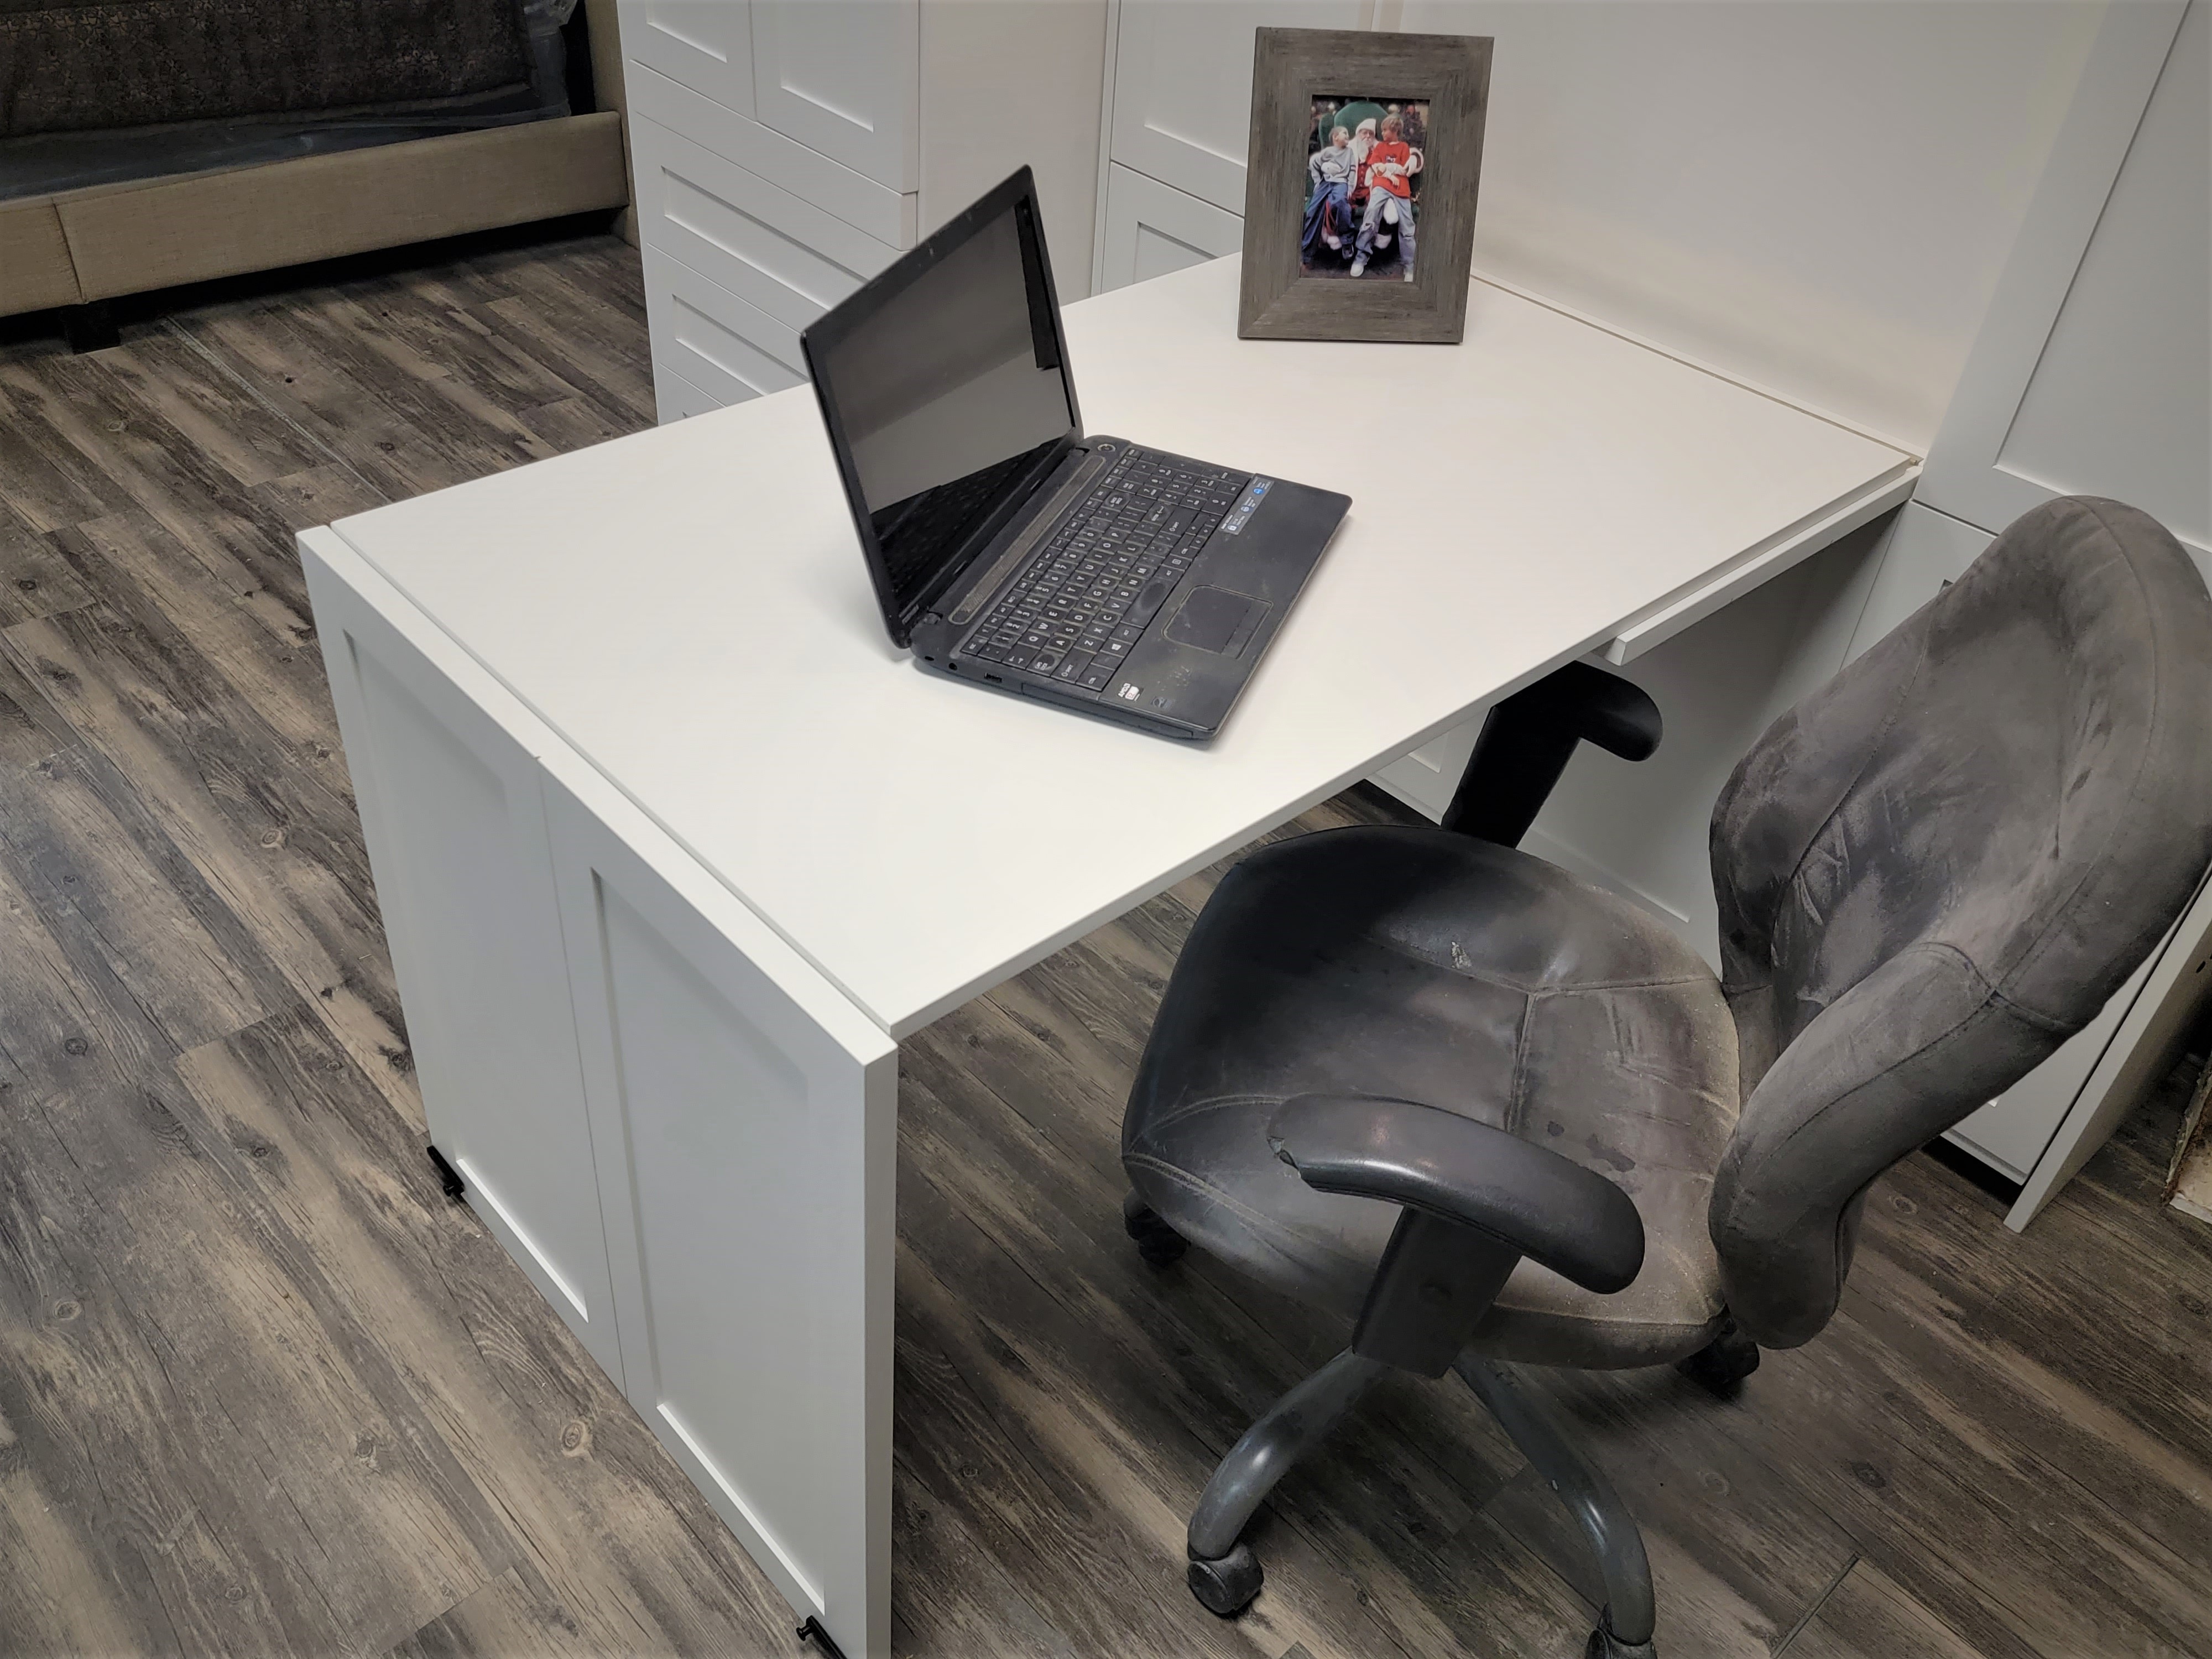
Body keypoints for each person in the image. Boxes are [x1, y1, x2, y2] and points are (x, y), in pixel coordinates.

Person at [1350, 112, 1417, 280]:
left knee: (1408, 227)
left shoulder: (1403, 147)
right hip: (1382, 186)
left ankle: (1409, 266)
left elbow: (1406, 170)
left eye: (1385, 130)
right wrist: (1392, 169)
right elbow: (1377, 167)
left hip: (1401, 189)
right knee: (1371, 216)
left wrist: (1394, 167)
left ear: (1393, 130)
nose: (1382, 134)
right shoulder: (1380, 147)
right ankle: (1361, 258)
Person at [1301, 124, 1357, 265]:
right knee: (1313, 211)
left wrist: (1349, 186)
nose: (1347, 135)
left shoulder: (1350, 152)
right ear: (1335, 137)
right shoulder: (1327, 152)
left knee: (1340, 203)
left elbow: (1352, 170)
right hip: (1326, 183)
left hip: (1341, 183)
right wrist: (1318, 181)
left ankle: (1346, 241)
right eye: (1345, 133)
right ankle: (1306, 253)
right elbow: (1315, 165)